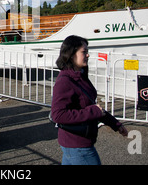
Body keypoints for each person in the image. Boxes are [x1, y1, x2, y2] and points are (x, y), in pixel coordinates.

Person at [50, 35, 128, 165]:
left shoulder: (80, 75)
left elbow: (91, 105)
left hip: (75, 144)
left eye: (87, 52)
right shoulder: (65, 81)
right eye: (84, 52)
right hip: (78, 146)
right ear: (71, 54)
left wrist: (115, 124)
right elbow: (58, 115)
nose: (88, 55)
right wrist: (93, 112)